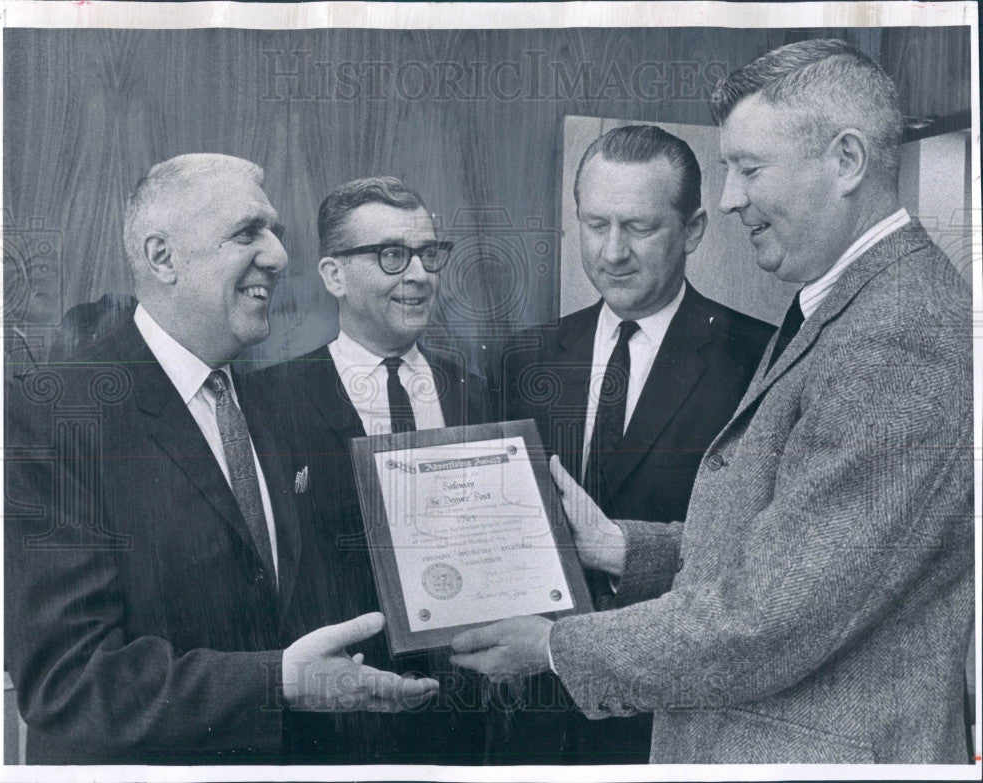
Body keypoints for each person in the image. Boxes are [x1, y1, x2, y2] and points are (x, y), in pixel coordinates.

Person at [450, 39, 974, 764]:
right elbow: (780, 553)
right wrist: (617, 547)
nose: (729, 199)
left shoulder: (897, 331)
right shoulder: (854, 305)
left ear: (847, 160)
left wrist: (551, 644)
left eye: (749, 169)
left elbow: (773, 615)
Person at [3, 154, 438, 764]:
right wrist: (278, 681)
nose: (280, 258)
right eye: (247, 233)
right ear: (162, 258)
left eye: (276, 233)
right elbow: (66, 681)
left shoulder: (263, 398)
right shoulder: (52, 415)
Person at [496, 124, 773, 763]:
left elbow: (757, 563)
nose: (612, 252)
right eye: (596, 225)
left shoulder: (759, 361)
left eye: (639, 228)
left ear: (694, 230)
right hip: (537, 717)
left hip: (676, 723)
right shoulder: (526, 357)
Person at [244, 176, 492, 763]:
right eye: (391, 255)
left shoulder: (475, 392)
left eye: (428, 254)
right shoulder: (267, 402)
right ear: (334, 276)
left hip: (464, 718)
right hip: (334, 727)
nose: (419, 275)